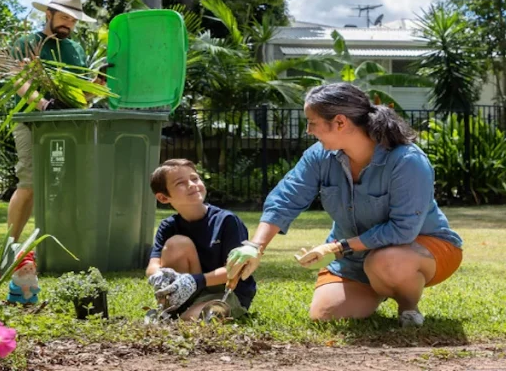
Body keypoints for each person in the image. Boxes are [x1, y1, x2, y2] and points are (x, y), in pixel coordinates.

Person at [225, 83, 463, 327]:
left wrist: (337, 248)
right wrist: (256, 246)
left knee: (385, 262)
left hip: (420, 248)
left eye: (312, 122)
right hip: (353, 256)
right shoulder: (319, 156)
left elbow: (402, 230)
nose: (308, 130)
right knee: (326, 315)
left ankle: (407, 307)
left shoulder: (407, 160)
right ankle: (377, 285)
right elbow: (287, 197)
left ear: (340, 122)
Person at [6, 0, 97, 242]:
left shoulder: (75, 49)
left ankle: (63, 243)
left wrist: (96, 85)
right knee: (30, 183)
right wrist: (44, 105)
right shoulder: (26, 43)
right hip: (30, 122)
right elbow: (19, 82)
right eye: (65, 17)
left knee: (66, 187)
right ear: (49, 14)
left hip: (67, 124)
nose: (69, 23)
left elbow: (78, 96)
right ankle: (9, 246)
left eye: (73, 20)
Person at [145, 159, 257, 320]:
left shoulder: (227, 221)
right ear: (163, 198)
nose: (191, 184)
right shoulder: (168, 226)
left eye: (194, 178)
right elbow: (152, 266)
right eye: (180, 183)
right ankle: (173, 308)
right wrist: (160, 276)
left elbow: (234, 270)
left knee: (189, 321)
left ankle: (186, 314)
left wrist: (196, 281)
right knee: (177, 243)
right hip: (187, 292)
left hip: (226, 292)